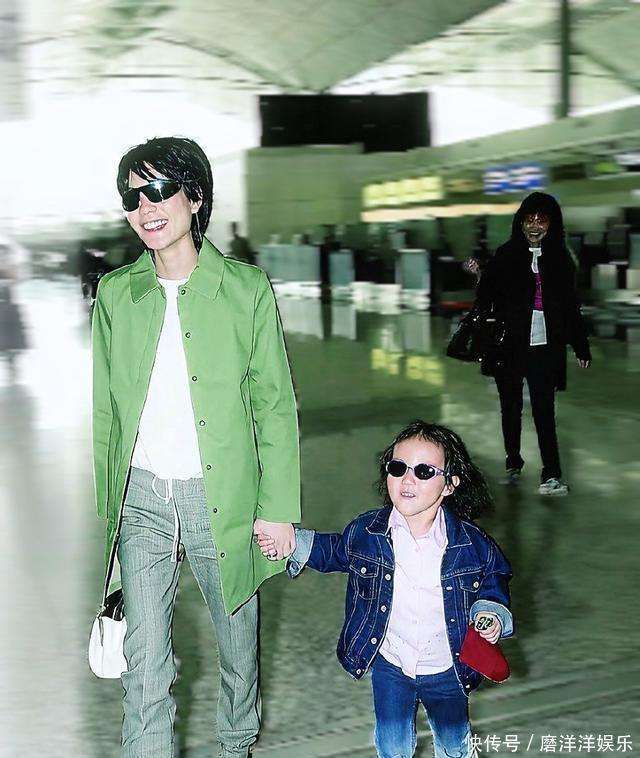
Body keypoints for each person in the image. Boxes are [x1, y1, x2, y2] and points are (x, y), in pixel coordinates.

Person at [91, 136, 299, 757]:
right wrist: (110, 510)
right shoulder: (116, 294)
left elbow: (273, 404)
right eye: (133, 197)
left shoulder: (245, 289)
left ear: (195, 196)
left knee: (238, 648)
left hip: (224, 497)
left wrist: (277, 508)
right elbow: (106, 414)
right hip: (142, 500)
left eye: (158, 190)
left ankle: (236, 744)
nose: (146, 208)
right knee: (144, 662)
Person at [256, 420, 513, 758]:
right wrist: (291, 542)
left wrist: (491, 612)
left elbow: (495, 575)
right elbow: (334, 551)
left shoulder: (472, 544)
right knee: (392, 744)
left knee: (454, 742)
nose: (407, 479)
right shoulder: (368, 532)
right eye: (398, 467)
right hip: (391, 665)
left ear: (450, 485)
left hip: (447, 668)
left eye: (424, 471)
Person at [475, 192, 591, 496]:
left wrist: (580, 345)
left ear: (552, 224)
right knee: (510, 408)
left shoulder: (560, 259)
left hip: (544, 346)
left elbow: (570, 306)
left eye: (542, 220)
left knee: (544, 411)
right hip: (510, 346)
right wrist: (482, 275)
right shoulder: (506, 255)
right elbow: (486, 298)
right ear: (521, 222)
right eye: (529, 220)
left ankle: (551, 474)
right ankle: (513, 462)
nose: (534, 226)